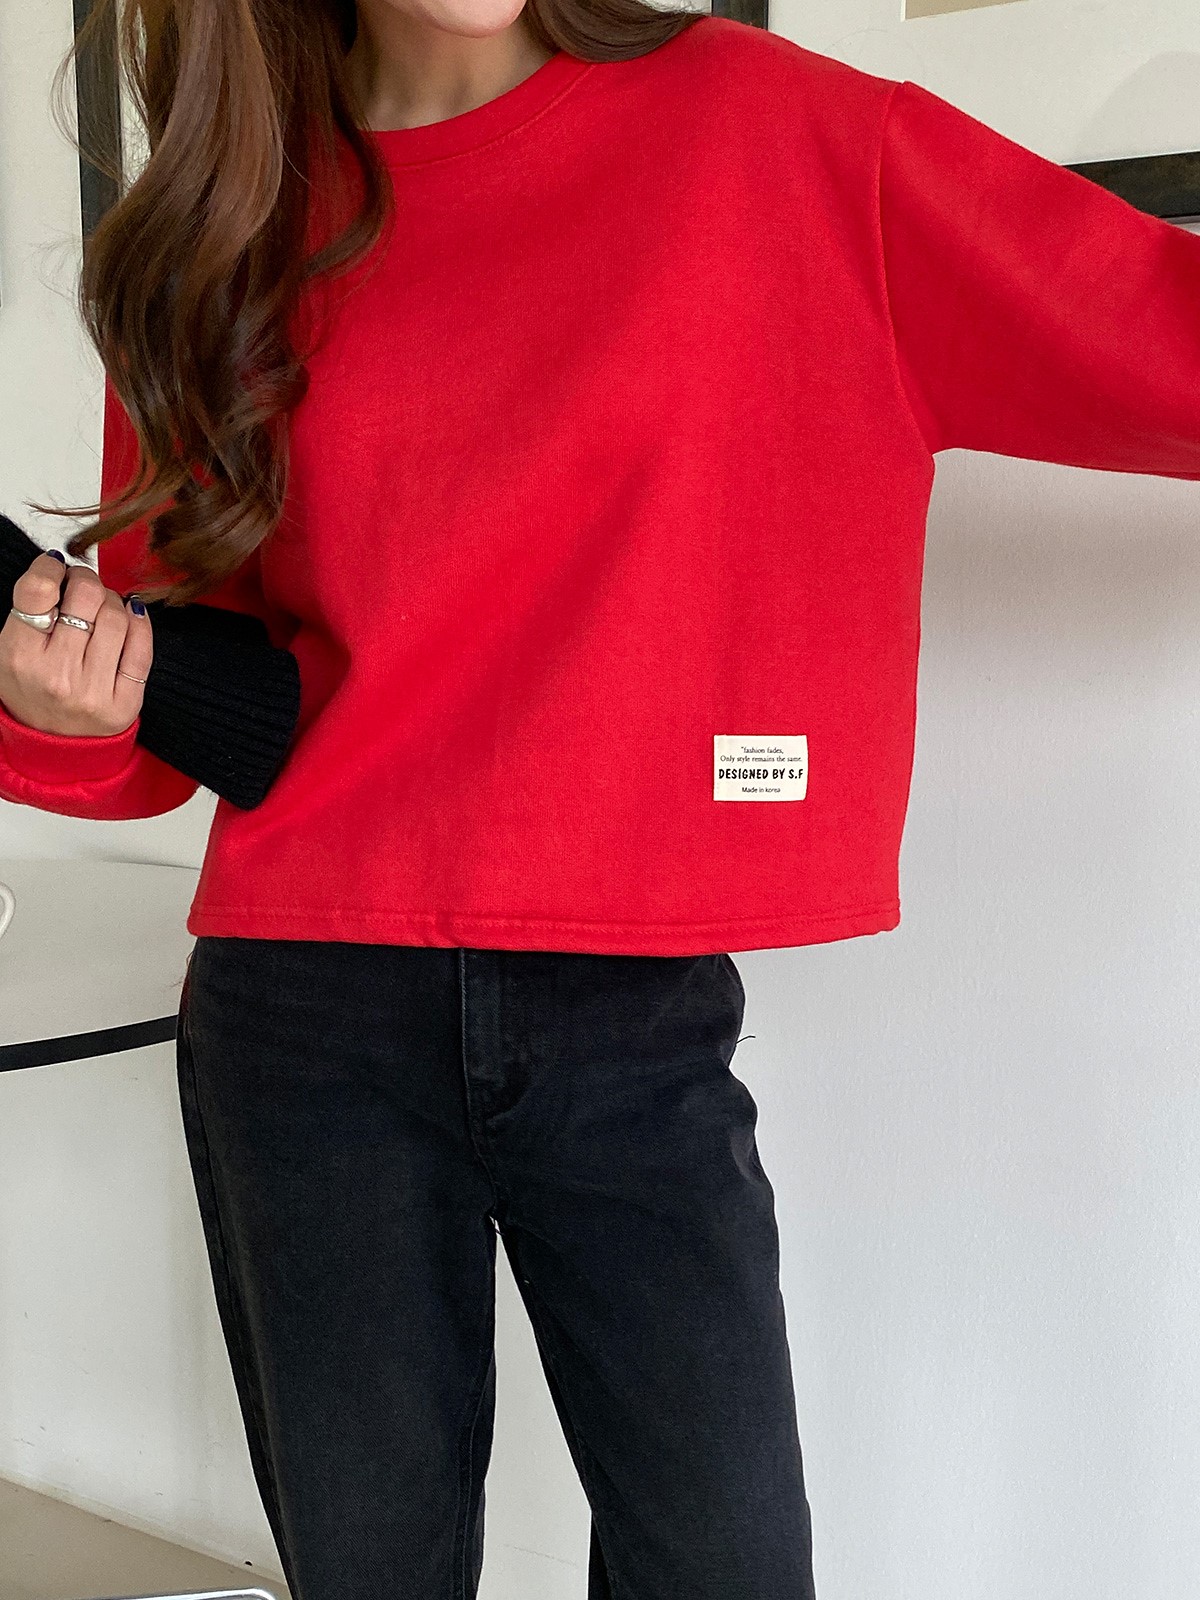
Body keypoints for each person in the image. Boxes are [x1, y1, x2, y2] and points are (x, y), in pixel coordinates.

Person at [2, 2, 1199, 1596]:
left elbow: (1160, 337)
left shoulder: (780, 135)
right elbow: (184, 701)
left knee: (726, 1567)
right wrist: (61, 709)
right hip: (304, 1013)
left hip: (632, 1015)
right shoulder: (221, 225)